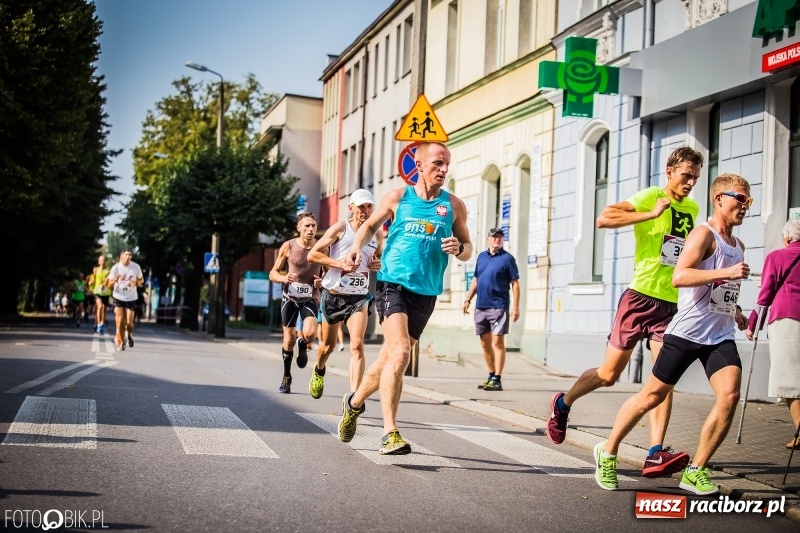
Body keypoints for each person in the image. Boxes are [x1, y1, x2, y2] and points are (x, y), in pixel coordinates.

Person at [547, 146, 704, 479]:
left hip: (671, 303)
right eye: (686, 175)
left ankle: (655, 452)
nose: (690, 182)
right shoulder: (651, 195)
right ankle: (563, 403)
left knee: (663, 382)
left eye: (695, 176)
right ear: (670, 171)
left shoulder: (692, 208)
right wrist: (649, 214)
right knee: (608, 375)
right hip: (639, 297)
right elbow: (604, 218)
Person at [594, 173, 752, 495]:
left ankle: (696, 471)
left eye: (749, 200)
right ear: (719, 199)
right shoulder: (702, 235)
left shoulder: (738, 245)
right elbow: (680, 276)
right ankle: (607, 451)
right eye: (741, 197)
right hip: (687, 332)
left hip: (718, 335)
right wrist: (726, 272)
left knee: (730, 395)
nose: (746, 205)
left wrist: (735, 312)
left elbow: (719, 289)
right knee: (652, 396)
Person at [336, 141, 473, 455]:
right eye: (437, 163)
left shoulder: (454, 206)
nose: (443, 170)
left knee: (387, 361)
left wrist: (459, 249)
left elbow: (467, 248)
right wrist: (356, 248)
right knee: (399, 355)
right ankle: (390, 432)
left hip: (426, 293)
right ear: (420, 165)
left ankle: (354, 403)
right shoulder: (398, 198)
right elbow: (369, 226)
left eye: (447, 164)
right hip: (392, 284)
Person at [307, 189, 384, 399]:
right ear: (351, 207)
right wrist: (339, 263)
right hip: (334, 295)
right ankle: (319, 369)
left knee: (357, 345)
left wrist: (377, 263)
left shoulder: (377, 234)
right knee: (327, 347)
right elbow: (313, 255)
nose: (365, 211)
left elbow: (377, 259)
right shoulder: (341, 228)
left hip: (359, 296)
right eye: (361, 207)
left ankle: (353, 399)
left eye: (369, 206)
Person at [745, 218, 800, 449]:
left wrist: (753, 324)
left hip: (787, 318)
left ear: (787, 238)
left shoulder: (777, 257)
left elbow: (765, 295)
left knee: (790, 378)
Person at [269, 212, 323, 394]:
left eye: (313, 226)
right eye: (306, 226)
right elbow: (273, 273)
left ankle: (303, 345)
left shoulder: (321, 247)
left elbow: (329, 273)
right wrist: (284, 278)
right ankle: (286, 377)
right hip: (290, 298)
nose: (310, 229)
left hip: (309, 297)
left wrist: (321, 281)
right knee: (289, 339)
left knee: (310, 334)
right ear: (298, 228)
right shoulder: (289, 246)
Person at [462, 227, 520, 392]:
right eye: (494, 237)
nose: (497, 240)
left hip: (499, 306)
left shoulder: (508, 259)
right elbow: (476, 280)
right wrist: (467, 299)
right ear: (488, 239)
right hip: (481, 306)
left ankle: (497, 379)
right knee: (484, 343)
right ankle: (491, 375)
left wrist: (515, 306)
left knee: (497, 341)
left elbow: (515, 283)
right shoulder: (481, 257)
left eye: (500, 237)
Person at [106, 249, 144, 351]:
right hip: (118, 296)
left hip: (131, 297)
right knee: (120, 321)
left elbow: (141, 280)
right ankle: (122, 342)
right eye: (126, 255)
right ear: (121, 256)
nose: (128, 257)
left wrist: (136, 282)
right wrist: (115, 279)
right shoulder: (116, 268)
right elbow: (108, 284)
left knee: (129, 323)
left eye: (130, 255)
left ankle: (129, 334)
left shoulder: (136, 267)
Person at [88, 254, 111, 334]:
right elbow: (92, 280)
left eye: (104, 260)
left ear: (106, 262)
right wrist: (91, 285)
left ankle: (100, 323)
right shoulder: (96, 270)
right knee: (100, 307)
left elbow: (109, 283)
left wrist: (106, 283)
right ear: (98, 262)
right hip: (97, 292)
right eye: (101, 260)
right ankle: (98, 325)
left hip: (106, 292)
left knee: (104, 309)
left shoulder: (108, 271)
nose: (102, 262)